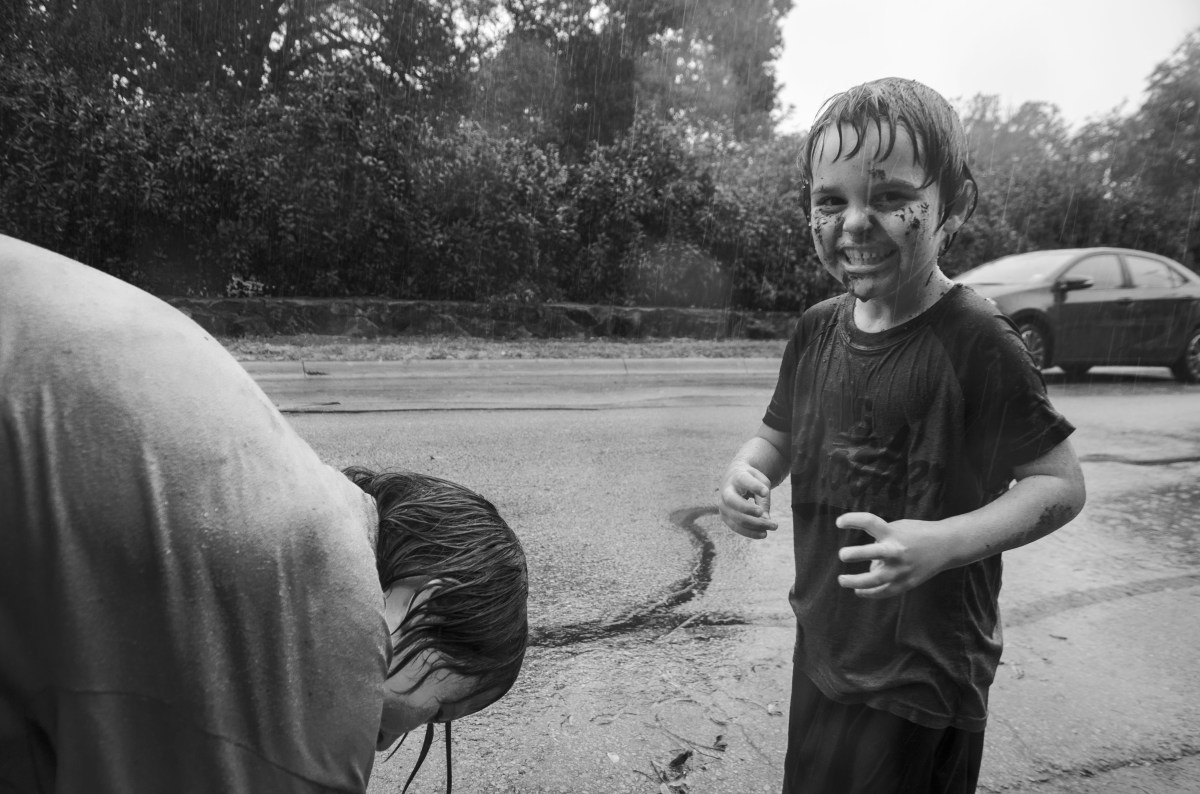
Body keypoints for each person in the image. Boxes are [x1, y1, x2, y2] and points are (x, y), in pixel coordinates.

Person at [0, 234, 528, 792]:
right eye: (439, 712)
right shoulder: (328, 632)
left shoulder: (283, 485)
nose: (383, 742)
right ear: (423, 593)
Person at [717, 78, 1086, 793]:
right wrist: (746, 472)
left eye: (889, 197)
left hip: (925, 679)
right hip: (824, 650)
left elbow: (1059, 484)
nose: (855, 222)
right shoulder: (817, 329)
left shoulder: (978, 340)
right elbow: (778, 435)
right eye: (832, 201)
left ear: (953, 205)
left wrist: (942, 544)